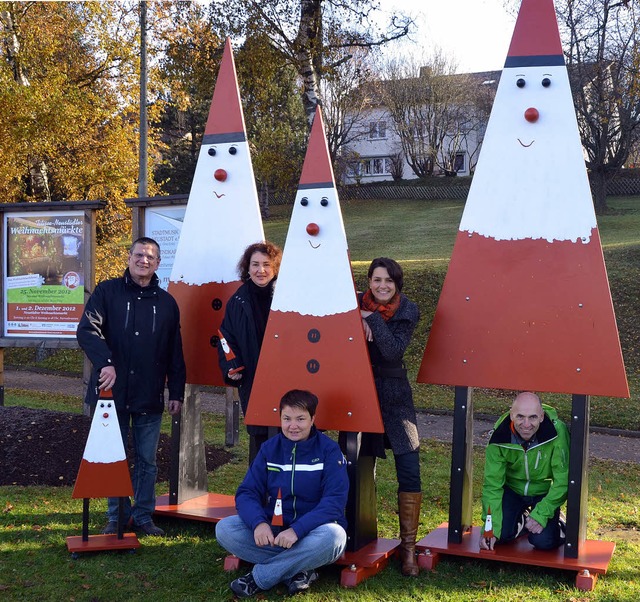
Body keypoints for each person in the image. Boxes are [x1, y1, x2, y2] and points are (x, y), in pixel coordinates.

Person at [76, 236, 186, 536]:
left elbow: (174, 351)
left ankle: (143, 516)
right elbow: (87, 330)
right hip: (112, 393)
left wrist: (176, 391)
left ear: (158, 263)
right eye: (139, 255)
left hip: (149, 395)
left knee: (147, 460)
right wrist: (105, 362)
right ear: (129, 257)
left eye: (151, 257)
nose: (144, 260)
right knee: (116, 457)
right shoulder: (107, 292)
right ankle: (117, 516)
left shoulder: (166, 303)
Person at [215, 389, 348, 598]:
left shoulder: (329, 451)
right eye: (287, 419)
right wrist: (259, 523)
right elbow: (247, 492)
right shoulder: (270, 449)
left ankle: (259, 577)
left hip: (313, 535)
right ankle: (300, 569)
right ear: (280, 418)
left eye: (300, 419)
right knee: (225, 528)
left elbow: (334, 502)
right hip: (275, 534)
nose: (293, 426)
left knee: (335, 537)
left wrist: (297, 530)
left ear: (313, 419)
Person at [359, 257, 422, 577]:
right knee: (353, 464)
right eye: (376, 280)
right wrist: (358, 315)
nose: (381, 286)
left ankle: (408, 549)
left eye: (388, 281)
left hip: (395, 397)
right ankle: (354, 535)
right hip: (359, 394)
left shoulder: (408, 310)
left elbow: (393, 351)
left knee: (409, 467)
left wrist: (371, 319)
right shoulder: (353, 304)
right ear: (368, 281)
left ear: (397, 284)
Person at [479, 391, 570, 551]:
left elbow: (563, 481)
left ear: (541, 416)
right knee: (500, 535)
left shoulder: (558, 432)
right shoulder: (499, 436)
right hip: (513, 490)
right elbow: (492, 486)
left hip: (543, 492)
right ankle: (520, 522)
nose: (526, 424)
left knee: (543, 541)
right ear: (511, 414)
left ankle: (559, 525)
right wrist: (489, 529)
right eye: (520, 416)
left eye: (533, 417)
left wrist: (543, 513)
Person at [218, 241, 282, 461]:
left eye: (266, 264)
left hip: (287, 382)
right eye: (255, 264)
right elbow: (227, 338)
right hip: (255, 383)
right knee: (260, 444)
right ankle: (259, 494)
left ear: (275, 267)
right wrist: (231, 368)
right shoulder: (237, 300)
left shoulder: (288, 295)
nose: (260, 270)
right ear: (247, 267)